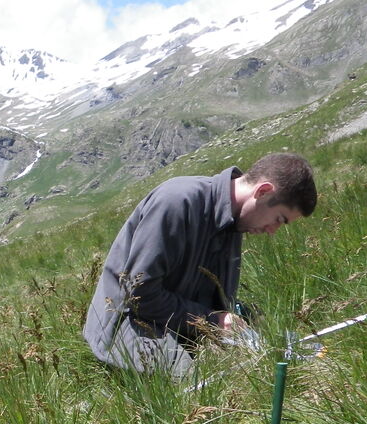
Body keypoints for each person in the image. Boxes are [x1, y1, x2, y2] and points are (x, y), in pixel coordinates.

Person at [82, 152, 317, 378]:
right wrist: (213, 321)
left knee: (260, 352)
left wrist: (232, 318)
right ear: (263, 191)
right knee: (203, 381)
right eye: (278, 219)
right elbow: (139, 296)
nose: (272, 231)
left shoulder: (233, 221)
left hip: (174, 318)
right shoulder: (176, 201)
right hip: (127, 321)